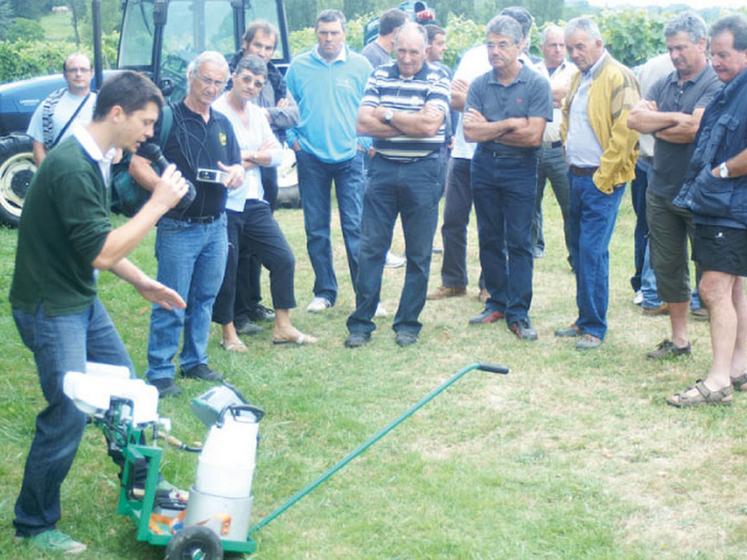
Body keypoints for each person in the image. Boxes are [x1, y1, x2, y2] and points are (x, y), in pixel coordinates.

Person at [10, 71, 188, 554]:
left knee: (127, 394)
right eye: (145, 123)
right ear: (117, 114)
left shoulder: (93, 158)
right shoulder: (71, 166)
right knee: (69, 410)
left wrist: (143, 282)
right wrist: (158, 205)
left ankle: (146, 489)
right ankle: (33, 522)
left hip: (78, 299)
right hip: (50, 307)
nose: (149, 134)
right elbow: (102, 252)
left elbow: (91, 243)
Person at [130, 51, 244, 397]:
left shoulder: (223, 123)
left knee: (205, 296)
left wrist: (237, 173)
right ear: (191, 77)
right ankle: (161, 372)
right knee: (170, 298)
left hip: (215, 224)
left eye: (219, 82)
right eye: (206, 80)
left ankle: (195, 360)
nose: (211, 88)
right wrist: (165, 191)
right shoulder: (166, 120)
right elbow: (137, 164)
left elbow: (236, 165)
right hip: (179, 226)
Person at [345, 22, 450, 348]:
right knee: (371, 248)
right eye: (401, 50)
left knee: (418, 254)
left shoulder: (439, 77)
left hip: (424, 172)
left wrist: (387, 113)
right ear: (394, 48)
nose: (406, 58)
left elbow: (431, 124)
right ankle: (361, 324)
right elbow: (363, 123)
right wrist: (411, 123)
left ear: (426, 49)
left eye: (414, 52)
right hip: (383, 171)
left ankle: (407, 323)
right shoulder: (378, 74)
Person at [627, 13, 720, 360]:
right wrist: (673, 120)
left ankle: (724, 351)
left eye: (681, 48)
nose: (675, 55)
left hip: (702, 194)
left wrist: (659, 123)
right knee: (668, 266)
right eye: (670, 49)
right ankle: (680, 341)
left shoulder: (715, 84)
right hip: (662, 189)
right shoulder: (664, 83)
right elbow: (634, 119)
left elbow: (694, 130)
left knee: (712, 273)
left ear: (701, 44)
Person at [668, 15, 747, 407]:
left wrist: (722, 170)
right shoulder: (731, 88)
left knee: (713, 288)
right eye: (713, 53)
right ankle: (738, 365)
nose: (716, 62)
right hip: (724, 203)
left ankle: (718, 382)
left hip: (730, 204)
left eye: (725, 54)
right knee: (733, 288)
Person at [212, 55, 316, 351]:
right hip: (225, 203)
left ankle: (283, 325)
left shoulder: (258, 114)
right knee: (228, 269)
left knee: (283, 258)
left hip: (254, 200)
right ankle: (228, 331)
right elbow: (221, 161)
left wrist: (249, 157)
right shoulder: (217, 112)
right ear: (234, 76)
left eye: (258, 83)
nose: (251, 87)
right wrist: (256, 155)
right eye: (246, 79)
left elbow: (278, 154)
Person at [463, 15, 552, 341]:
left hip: (520, 170)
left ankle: (518, 311)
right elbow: (470, 132)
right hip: (484, 167)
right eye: (490, 44)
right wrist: (510, 124)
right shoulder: (479, 84)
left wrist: (490, 127)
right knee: (488, 237)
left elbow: (532, 138)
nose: (495, 51)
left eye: (503, 44)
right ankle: (496, 301)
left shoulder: (536, 84)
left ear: (520, 46)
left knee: (518, 241)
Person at [554, 17, 640, 350]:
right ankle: (585, 317)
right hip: (575, 175)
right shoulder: (578, 77)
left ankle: (594, 327)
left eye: (581, 46)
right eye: (570, 47)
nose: (575, 53)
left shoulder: (618, 76)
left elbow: (626, 131)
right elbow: (566, 118)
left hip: (600, 179)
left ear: (599, 45)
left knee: (591, 252)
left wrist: (603, 177)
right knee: (579, 250)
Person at [285, 10, 372, 313]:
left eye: (334, 33)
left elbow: (372, 106)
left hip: (350, 156)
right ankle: (324, 291)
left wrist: (365, 142)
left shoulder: (361, 66)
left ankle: (365, 292)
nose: (329, 38)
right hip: (311, 156)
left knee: (355, 226)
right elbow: (286, 107)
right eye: (323, 33)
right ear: (316, 33)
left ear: (344, 33)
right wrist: (292, 140)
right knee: (316, 228)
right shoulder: (299, 67)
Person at [229, 20, 300, 336]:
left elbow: (294, 115)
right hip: (234, 179)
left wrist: (263, 113)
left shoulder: (274, 77)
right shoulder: (229, 74)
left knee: (260, 241)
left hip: (263, 172)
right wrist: (272, 113)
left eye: (269, 48)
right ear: (245, 44)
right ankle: (238, 311)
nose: (263, 53)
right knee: (237, 247)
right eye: (258, 46)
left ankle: (254, 301)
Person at [426, 43, 490, 304]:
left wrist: (472, 99)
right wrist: (485, 103)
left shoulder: (521, 64)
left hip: (489, 153)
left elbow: (508, 109)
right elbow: (454, 98)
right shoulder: (472, 55)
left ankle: (490, 285)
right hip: (462, 154)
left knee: (490, 224)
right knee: (452, 220)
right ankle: (453, 281)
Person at [361, 8, 409, 272]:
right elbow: (368, 106)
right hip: (374, 142)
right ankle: (380, 249)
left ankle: (384, 248)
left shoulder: (382, 55)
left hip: (384, 134)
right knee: (375, 204)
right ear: (396, 32)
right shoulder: (372, 57)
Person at [628, 53, 673, 314]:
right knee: (660, 227)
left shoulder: (647, 66)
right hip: (665, 159)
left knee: (644, 224)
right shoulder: (692, 73)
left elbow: (636, 116)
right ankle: (652, 291)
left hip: (643, 157)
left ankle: (641, 286)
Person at [531, 25, 576, 263]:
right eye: (553, 45)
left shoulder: (575, 72)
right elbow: (526, 98)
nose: (558, 50)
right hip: (533, 147)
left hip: (561, 150)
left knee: (570, 205)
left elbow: (571, 96)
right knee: (530, 203)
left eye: (562, 45)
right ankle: (532, 248)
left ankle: (575, 255)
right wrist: (552, 95)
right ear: (543, 47)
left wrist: (539, 96)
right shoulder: (531, 69)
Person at [26, 52, 97, 165]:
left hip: (94, 174)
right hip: (60, 174)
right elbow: (38, 147)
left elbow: (116, 143)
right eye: (73, 70)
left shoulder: (103, 105)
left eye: (83, 70)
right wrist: (48, 176)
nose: (78, 74)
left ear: (92, 73)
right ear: (65, 74)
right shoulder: (48, 106)